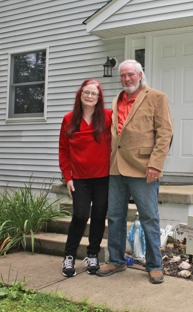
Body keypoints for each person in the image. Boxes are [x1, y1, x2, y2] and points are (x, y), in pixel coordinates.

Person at [96, 59, 173, 284]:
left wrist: (156, 164)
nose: (126, 79)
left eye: (130, 74)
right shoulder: (116, 99)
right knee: (116, 216)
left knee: (149, 217)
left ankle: (154, 265)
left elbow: (165, 133)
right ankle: (117, 260)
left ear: (140, 75)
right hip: (116, 166)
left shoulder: (157, 98)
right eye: (123, 75)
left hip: (143, 167)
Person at [59, 79, 112, 277]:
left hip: (103, 177)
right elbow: (63, 150)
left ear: (99, 98)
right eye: (86, 92)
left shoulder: (108, 117)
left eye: (94, 93)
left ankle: (92, 255)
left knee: (99, 216)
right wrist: (68, 177)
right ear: (80, 95)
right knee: (80, 215)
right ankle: (69, 256)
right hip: (79, 178)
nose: (90, 96)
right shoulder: (69, 119)